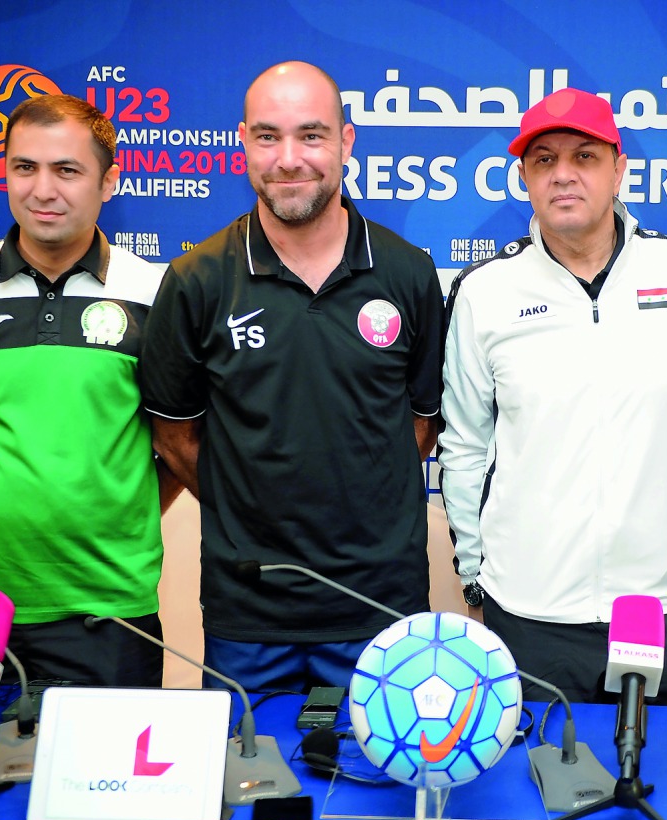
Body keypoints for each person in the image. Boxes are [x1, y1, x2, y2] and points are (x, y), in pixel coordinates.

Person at [139, 61, 443, 692]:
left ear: (346, 142)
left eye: (311, 135)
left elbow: (421, 423)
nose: (289, 158)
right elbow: (172, 436)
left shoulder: (409, 273)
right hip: (248, 611)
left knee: (373, 789)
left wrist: (358, 493)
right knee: (252, 788)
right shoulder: (197, 280)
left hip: (379, 606)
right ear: (244, 141)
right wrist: (251, 503)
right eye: (268, 136)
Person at [437, 88, 667, 705]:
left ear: (619, 169)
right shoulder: (485, 292)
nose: (563, 175)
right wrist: (475, 580)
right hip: (530, 612)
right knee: (535, 790)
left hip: (666, 606)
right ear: (523, 178)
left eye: (584, 157)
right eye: (544, 160)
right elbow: (463, 447)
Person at [0, 94, 178, 686]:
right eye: (24, 167)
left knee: (103, 778)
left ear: (109, 182)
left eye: (67, 170)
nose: (42, 190)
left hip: (109, 609)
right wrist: (8, 502)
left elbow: (178, 449)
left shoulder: (157, 294)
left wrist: (110, 515)